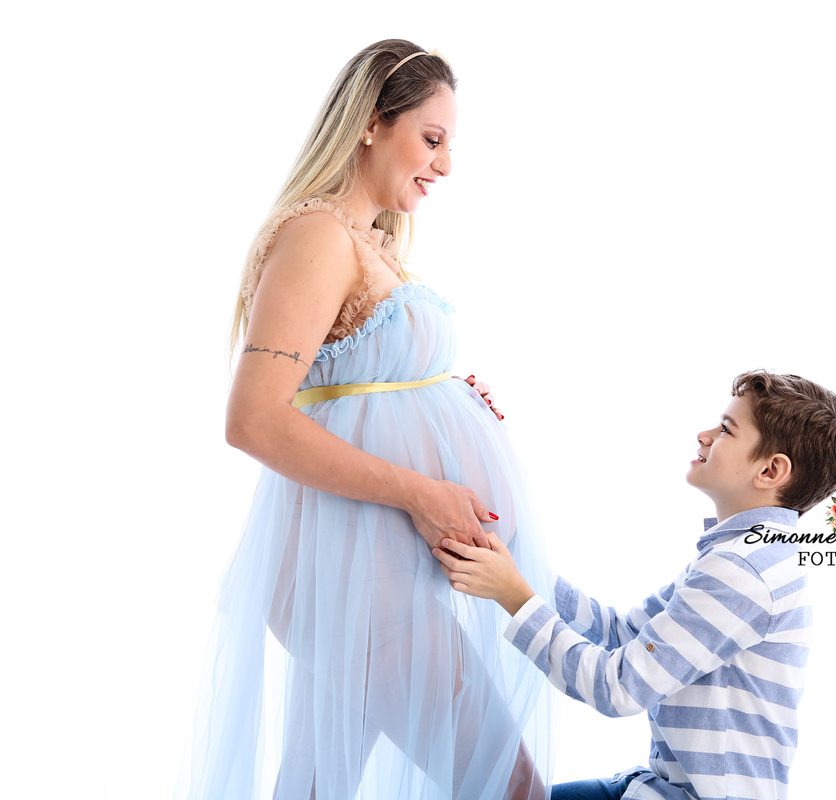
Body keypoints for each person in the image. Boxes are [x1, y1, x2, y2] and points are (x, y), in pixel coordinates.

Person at [180, 39, 553, 800]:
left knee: (319, 786)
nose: (445, 164)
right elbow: (253, 419)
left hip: (367, 568)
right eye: (432, 138)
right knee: (511, 788)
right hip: (355, 574)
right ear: (371, 124)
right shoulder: (317, 236)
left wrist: (444, 399)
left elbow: (351, 389)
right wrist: (423, 489)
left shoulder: (369, 240)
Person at [434, 370, 836, 800]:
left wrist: (512, 594)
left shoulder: (743, 571)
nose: (704, 435)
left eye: (726, 429)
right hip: (655, 787)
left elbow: (617, 688)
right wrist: (514, 556)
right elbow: (622, 632)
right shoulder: (746, 554)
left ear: (770, 470)